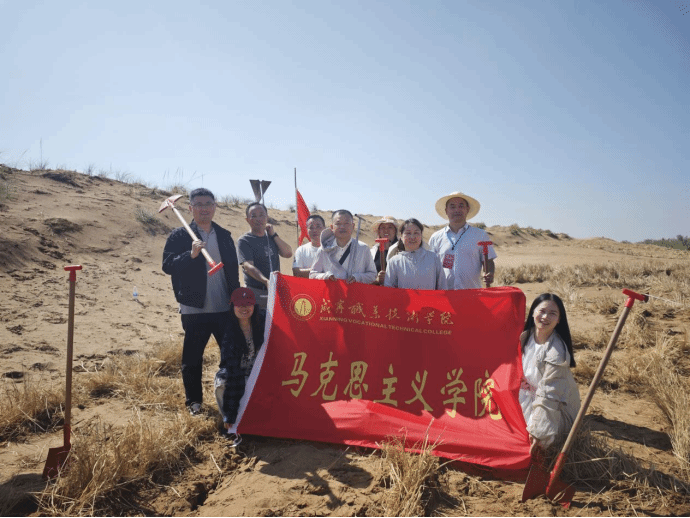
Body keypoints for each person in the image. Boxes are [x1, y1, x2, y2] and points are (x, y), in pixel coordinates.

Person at [162, 188, 240, 415]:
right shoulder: (180, 235)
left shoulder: (224, 235)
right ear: (190, 208)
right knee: (193, 358)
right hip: (194, 308)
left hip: (224, 307)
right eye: (198, 204)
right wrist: (190, 255)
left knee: (230, 356)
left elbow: (233, 272)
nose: (204, 209)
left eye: (208, 204)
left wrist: (235, 299)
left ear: (215, 207)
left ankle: (231, 400)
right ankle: (194, 403)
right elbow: (167, 265)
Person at [519, 293, 581, 456]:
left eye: (552, 313)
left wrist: (538, 431)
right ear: (533, 312)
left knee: (535, 436)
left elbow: (549, 394)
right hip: (525, 394)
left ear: (559, 319)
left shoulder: (556, 352)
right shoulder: (525, 336)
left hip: (553, 406)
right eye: (542, 311)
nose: (545, 317)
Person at [215, 287, 266, 443]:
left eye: (248, 304)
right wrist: (230, 414)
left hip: (260, 373)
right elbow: (233, 371)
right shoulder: (228, 331)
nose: (244, 308)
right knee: (222, 381)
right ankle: (231, 424)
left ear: (254, 305)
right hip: (238, 374)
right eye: (240, 305)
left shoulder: (264, 322)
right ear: (233, 306)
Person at [428, 192, 496, 290]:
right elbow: (430, 266)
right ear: (446, 211)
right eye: (452, 207)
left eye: (461, 206)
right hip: (445, 295)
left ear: (467, 209)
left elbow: (488, 261)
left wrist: (490, 273)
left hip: (472, 294)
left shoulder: (480, 235)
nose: (457, 210)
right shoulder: (436, 238)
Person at [237, 202, 293, 308]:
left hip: (275, 291)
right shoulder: (244, 240)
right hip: (256, 292)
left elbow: (288, 253)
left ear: (267, 217)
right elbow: (248, 266)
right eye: (253, 216)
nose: (258, 219)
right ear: (247, 220)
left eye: (262, 215)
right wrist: (266, 281)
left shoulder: (271, 237)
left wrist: (274, 234)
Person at [309, 210, 377, 284]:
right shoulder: (323, 250)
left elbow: (373, 275)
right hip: (331, 291)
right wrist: (326, 276)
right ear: (332, 227)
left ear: (353, 226)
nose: (342, 227)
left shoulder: (363, 248)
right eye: (338, 223)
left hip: (356, 291)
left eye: (346, 223)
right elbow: (312, 275)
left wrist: (358, 277)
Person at [384, 219, 447, 290]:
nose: (412, 237)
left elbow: (442, 287)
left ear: (421, 235)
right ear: (401, 236)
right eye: (408, 233)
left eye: (416, 233)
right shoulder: (394, 262)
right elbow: (389, 289)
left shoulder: (433, 258)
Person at [370, 216, 398, 285]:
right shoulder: (373, 251)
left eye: (390, 227)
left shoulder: (402, 250)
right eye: (383, 227)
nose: (386, 230)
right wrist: (376, 280)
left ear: (395, 231)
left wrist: (388, 278)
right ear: (379, 231)